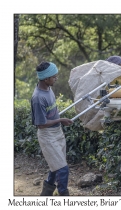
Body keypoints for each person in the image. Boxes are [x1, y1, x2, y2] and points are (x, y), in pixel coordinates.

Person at [31, 61, 73, 196]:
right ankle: (64, 196)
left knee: (56, 166)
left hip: (57, 132)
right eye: (54, 77)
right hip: (47, 135)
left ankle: (45, 196)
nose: (56, 78)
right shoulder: (38, 98)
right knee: (63, 168)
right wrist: (61, 119)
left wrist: (59, 121)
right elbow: (40, 124)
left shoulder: (49, 89)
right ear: (46, 78)